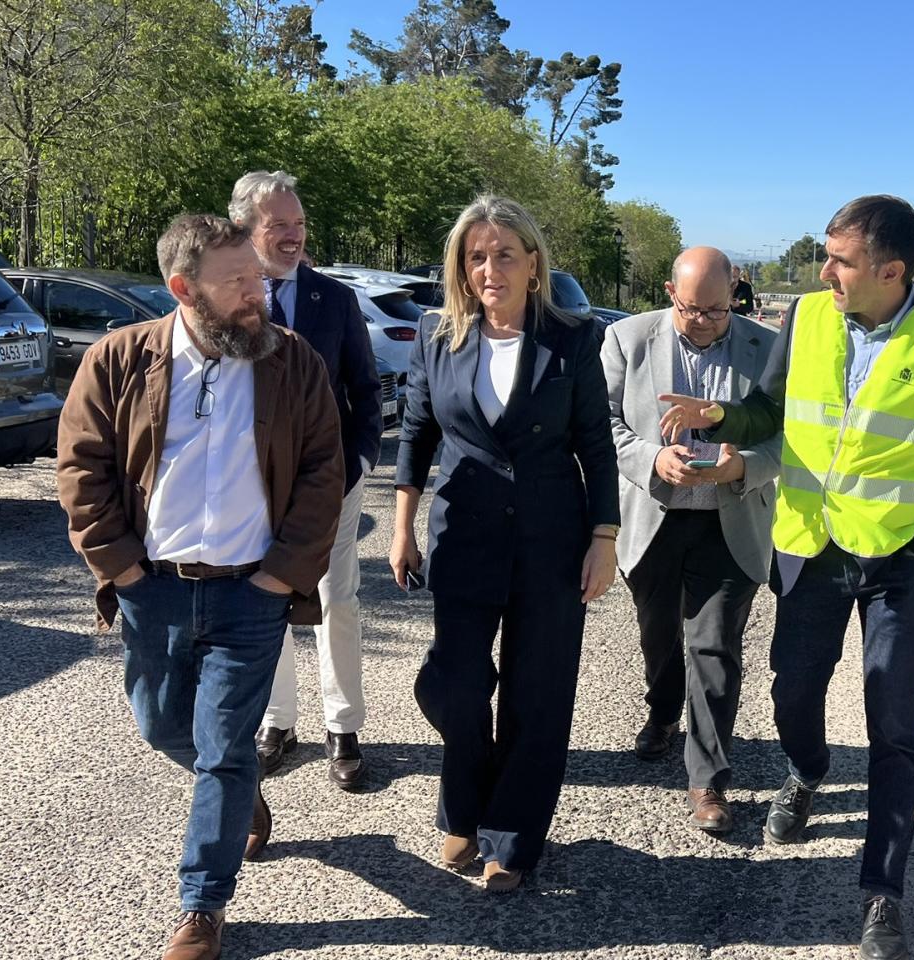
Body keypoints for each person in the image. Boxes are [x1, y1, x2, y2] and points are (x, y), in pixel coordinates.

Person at [659, 195, 914, 960]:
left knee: (894, 723)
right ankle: (808, 771)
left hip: (895, 566)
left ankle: (883, 892)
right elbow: (769, 410)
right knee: (791, 694)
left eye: (840, 261)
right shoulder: (807, 318)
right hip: (809, 554)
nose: (825, 272)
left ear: (891, 271)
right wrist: (720, 420)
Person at [57, 214, 344, 960]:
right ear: (183, 289)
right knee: (160, 726)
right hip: (151, 588)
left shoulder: (294, 362)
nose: (260, 293)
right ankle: (243, 793)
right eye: (238, 283)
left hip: (252, 591)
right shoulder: (120, 360)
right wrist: (120, 568)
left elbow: (323, 474)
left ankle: (201, 907)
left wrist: (281, 574)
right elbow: (81, 470)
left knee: (222, 746)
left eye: (258, 276)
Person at [388, 194, 619, 893]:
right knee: (455, 681)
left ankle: (512, 838)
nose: (491, 269)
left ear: (533, 262)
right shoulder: (437, 334)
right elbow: (416, 435)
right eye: (477, 256)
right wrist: (401, 526)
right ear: (463, 265)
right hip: (464, 534)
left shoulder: (574, 337)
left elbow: (596, 445)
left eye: (505, 255)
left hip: (553, 534)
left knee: (538, 690)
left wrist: (604, 536)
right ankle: (466, 804)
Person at [600, 246, 782, 833]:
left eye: (715, 310)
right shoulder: (627, 340)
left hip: (729, 522)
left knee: (715, 650)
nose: (702, 320)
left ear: (736, 294)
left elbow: (795, 432)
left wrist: (744, 466)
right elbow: (603, 423)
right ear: (668, 291)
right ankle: (662, 713)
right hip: (655, 516)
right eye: (689, 308)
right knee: (658, 635)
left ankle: (708, 780)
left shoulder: (766, 347)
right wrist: (654, 458)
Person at [231, 171, 383, 792]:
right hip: (249, 486)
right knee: (261, 600)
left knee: (335, 599)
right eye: (279, 226)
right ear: (246, 229)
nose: (294, 237)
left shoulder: (334, 300)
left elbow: (367, 391)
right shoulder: (225, 298)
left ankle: (343, 728)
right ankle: (277, 723)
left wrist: (361, 466)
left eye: (299, 225)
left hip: (330, 482)